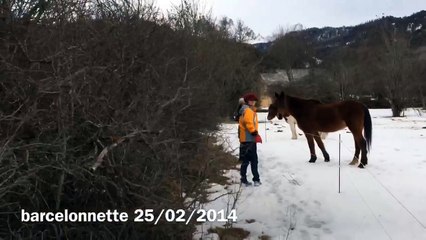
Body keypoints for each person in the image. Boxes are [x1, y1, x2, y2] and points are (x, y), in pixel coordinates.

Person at [238, 93, 262, 186]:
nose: (253, 102)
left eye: (254, 100)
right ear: (247, 101)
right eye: (251, 100)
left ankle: (243, 180)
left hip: (245, 139)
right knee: (254, 160)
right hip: (249, 139)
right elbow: (248, 123)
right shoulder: (248, 110)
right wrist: (254, 133)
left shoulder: (244, 110)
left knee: (245, 160)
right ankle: (256, 180)